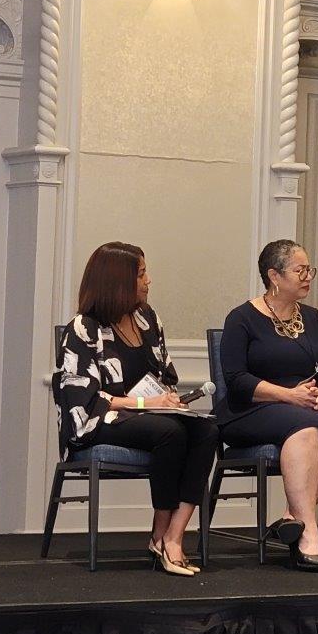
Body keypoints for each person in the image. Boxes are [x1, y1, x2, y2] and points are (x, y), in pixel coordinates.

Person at [54, 242, 219, 576]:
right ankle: (159, 534)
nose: (148, 281)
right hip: (98, 421)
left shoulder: (147, 319)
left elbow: (165, 374)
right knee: (169, 433)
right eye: (141, 274)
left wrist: (168, 398)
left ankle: (175, 535)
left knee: (208, 430)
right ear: (118, 282)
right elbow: (84, 397)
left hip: (149, 416)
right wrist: (146, 404)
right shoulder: (83, 329)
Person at [217, 240, 318, 571]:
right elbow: (237, 380)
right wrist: (289, 395)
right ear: (274, 276)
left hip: (305, 404)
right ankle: (308, 534)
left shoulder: (312, 317)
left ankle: (291, 516)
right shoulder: (242, 319)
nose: (308, 276)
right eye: (300, 270)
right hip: (251, 408)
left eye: (309, 269)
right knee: (306, 430)